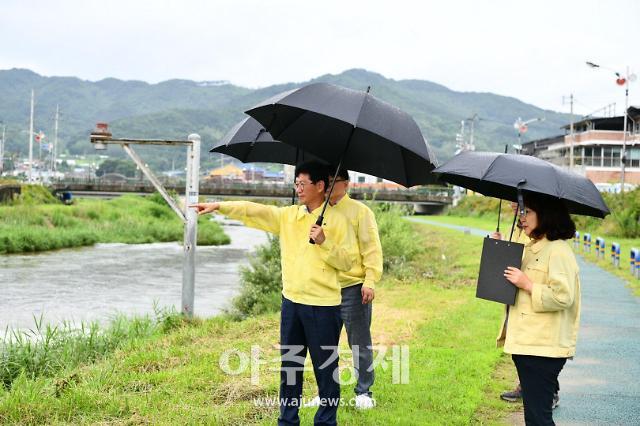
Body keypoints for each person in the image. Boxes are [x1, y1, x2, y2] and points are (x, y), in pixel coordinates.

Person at [191, 161, 355, 426]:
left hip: (323, 307)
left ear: (320, 186)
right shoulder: (289, 216)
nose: (298, 189)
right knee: (290, 368)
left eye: (303, 184)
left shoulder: (338, 220)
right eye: (296, 184)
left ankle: (326, 421)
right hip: (292, 303)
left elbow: (348, 263)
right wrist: (220, 206)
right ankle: (287, 420)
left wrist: (325, 242)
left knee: (326, 370)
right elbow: (257, 211)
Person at [495, 194, 580, 425]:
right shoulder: (534, 247)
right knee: (534, 416)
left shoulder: (558, 250)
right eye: (522, 212)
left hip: (543, 348)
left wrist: (529, 285)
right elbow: (508, 280)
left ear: (546, 215)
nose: (522, 218)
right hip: (528, 344)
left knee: (539, 417)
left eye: (528, 212)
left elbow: (564, 297)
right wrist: (499, 246)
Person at [305, 168, 383, 410]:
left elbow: (372, 249)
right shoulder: (317, 210)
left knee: (359, 341)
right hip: (323, 287)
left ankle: (364, 392)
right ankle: (325, 392)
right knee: (323, 343)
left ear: (346, 183)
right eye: (324, 181)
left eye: (332, 181)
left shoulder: (361, 212)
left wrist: (369, 281)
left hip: (353, 287)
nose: (327, 186)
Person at [493, 203, 559, 409]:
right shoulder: (519, 228)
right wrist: (499, 245)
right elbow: (515, 257)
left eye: (522, 207)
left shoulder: (543, 235)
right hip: (518, 296)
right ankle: (527, 387)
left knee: (535, 354)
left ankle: (549, 392)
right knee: (520, 349)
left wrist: (528, 284)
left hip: (532, 298)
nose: (515, 207)